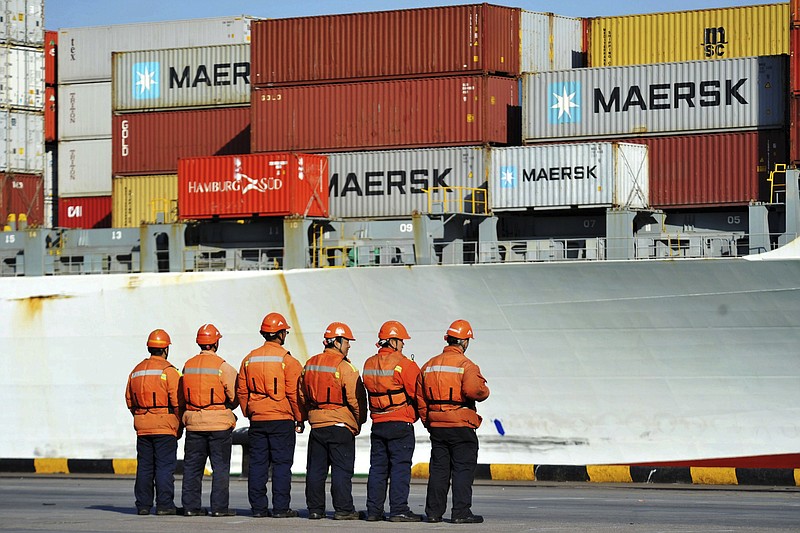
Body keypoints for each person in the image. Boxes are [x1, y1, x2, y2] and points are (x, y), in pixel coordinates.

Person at [416, 319, 490, 524]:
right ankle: (460, 512)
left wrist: (428, 421)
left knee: (439, 471)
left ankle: (433, 513)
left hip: (437, 426)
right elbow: (475, 391)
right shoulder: (467, 365)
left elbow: (420, 398)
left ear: (447, 339)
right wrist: (485, 389)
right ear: (465, 342)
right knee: (462, 469)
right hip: (460, 425)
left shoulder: (429, 365)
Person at [236, 312, 305, 519]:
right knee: (282, 465)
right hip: (282, 421)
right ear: (281, 334)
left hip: (258, 420)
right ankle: (281, 508)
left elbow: (242, 391)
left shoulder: (249, 359)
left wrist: (250, 411)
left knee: (258, 465)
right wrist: (299, 418)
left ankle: (258, 508)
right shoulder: (288, 361)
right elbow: (295, 393)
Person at [299, 322, 367, 520]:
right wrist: (359, 421)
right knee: (341, 470)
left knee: (315, 470)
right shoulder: (345, 367)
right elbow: (356, 399)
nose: (349, 345)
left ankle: (315, 509)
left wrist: (307, 415)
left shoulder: (310, 364)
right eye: (346, 341)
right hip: (340, 426)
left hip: (317, 425)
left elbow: (301, 395)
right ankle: (344, 509)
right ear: (336, 342)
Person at [362, 320, 422, 522]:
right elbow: (418, 393)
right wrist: (420, 416)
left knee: (377, 468)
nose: (403, 345)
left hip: (378, 423)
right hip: (400, 422)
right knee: (400, 467)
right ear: (394, 341)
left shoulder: (368, 364)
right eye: (402, 341)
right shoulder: (405, 364)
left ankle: (373, 511)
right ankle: (398, 509)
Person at [180, 323, 239, 517]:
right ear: (215, 343)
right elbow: (234, 396)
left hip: (194, 424)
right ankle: (219, 508)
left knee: (192, 467)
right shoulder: (223, 367)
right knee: (220, 468)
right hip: (219, 425)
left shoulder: (188, 366)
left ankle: (190, 507)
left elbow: (181, 395)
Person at [125, 329, 181, 516]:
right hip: (165, 426)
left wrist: (141, 415)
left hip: (142, 426)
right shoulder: (169, 372)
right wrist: (178, 424)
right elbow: (177, 401)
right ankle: (165, 505)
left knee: (145, 467)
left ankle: (143, 505)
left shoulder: (136, 371)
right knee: (164, 467)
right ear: (165, 349)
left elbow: (129, 401)